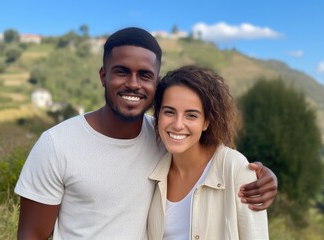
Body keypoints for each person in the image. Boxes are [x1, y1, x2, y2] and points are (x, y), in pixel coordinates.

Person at [14, 27, 276, 239]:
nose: (133, 84)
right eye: (122, 72)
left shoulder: (165, 137)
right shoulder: (57, 144)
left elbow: (211, 158)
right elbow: (32, 234)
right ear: (103, 75)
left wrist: (261, 176)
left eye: (145, 75)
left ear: (156, 82)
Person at [148, 65, 269, 239]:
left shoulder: (234, 167)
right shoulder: (154, 167)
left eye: (191, 115)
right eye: (169, 112)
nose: (177, 124)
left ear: (206, 122)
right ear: (158, 115)